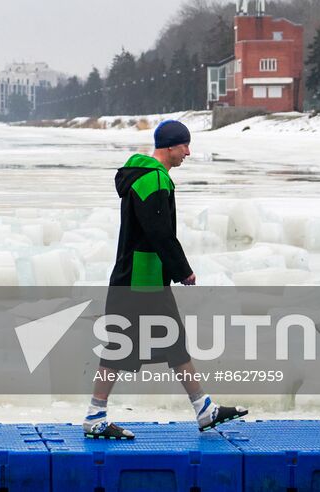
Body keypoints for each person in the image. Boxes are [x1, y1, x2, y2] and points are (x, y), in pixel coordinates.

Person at [83, 119, 248, 439]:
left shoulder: (144, 175)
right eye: (184, 145)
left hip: (144, 277)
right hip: (139, 279)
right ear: (170, 146)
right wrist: (182, 269)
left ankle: (204, 409)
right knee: (119, 347)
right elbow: (159, 233)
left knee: (173, 343)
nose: (188, 152)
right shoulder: (153, 180)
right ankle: (94, 415)